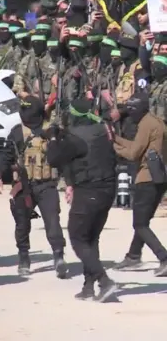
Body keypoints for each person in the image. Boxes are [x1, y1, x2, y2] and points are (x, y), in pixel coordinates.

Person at [45, 96, 119, 302]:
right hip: (107, 190)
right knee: (91, 238)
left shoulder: (76, 137)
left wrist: (53, 138)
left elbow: (54, 159)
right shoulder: (102, 130)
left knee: (78, 238)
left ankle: (104, 281)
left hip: (89, 190)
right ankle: (89, 285)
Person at [0, 96, 67, 278]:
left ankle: (59, 256)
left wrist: (70, 182)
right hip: (23, 186)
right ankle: (24, 257)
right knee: (22, 224)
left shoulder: (52, 131)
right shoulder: (18, 132)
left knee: (52, 222)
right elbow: (6, 155)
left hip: (47, 184)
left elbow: (65, 157)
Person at [111, 93, 167, 276]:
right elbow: (138, 146)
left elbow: (134, 154)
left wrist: (112, 146)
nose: (129, 113)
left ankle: (164, 258)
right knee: (143, 221)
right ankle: (133, 256)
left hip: (147, 178)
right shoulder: (155, 121)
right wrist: (116, 139)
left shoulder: (145, 124)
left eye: (131, 110)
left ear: (138, 109)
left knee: (140, 224)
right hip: (159, 177)